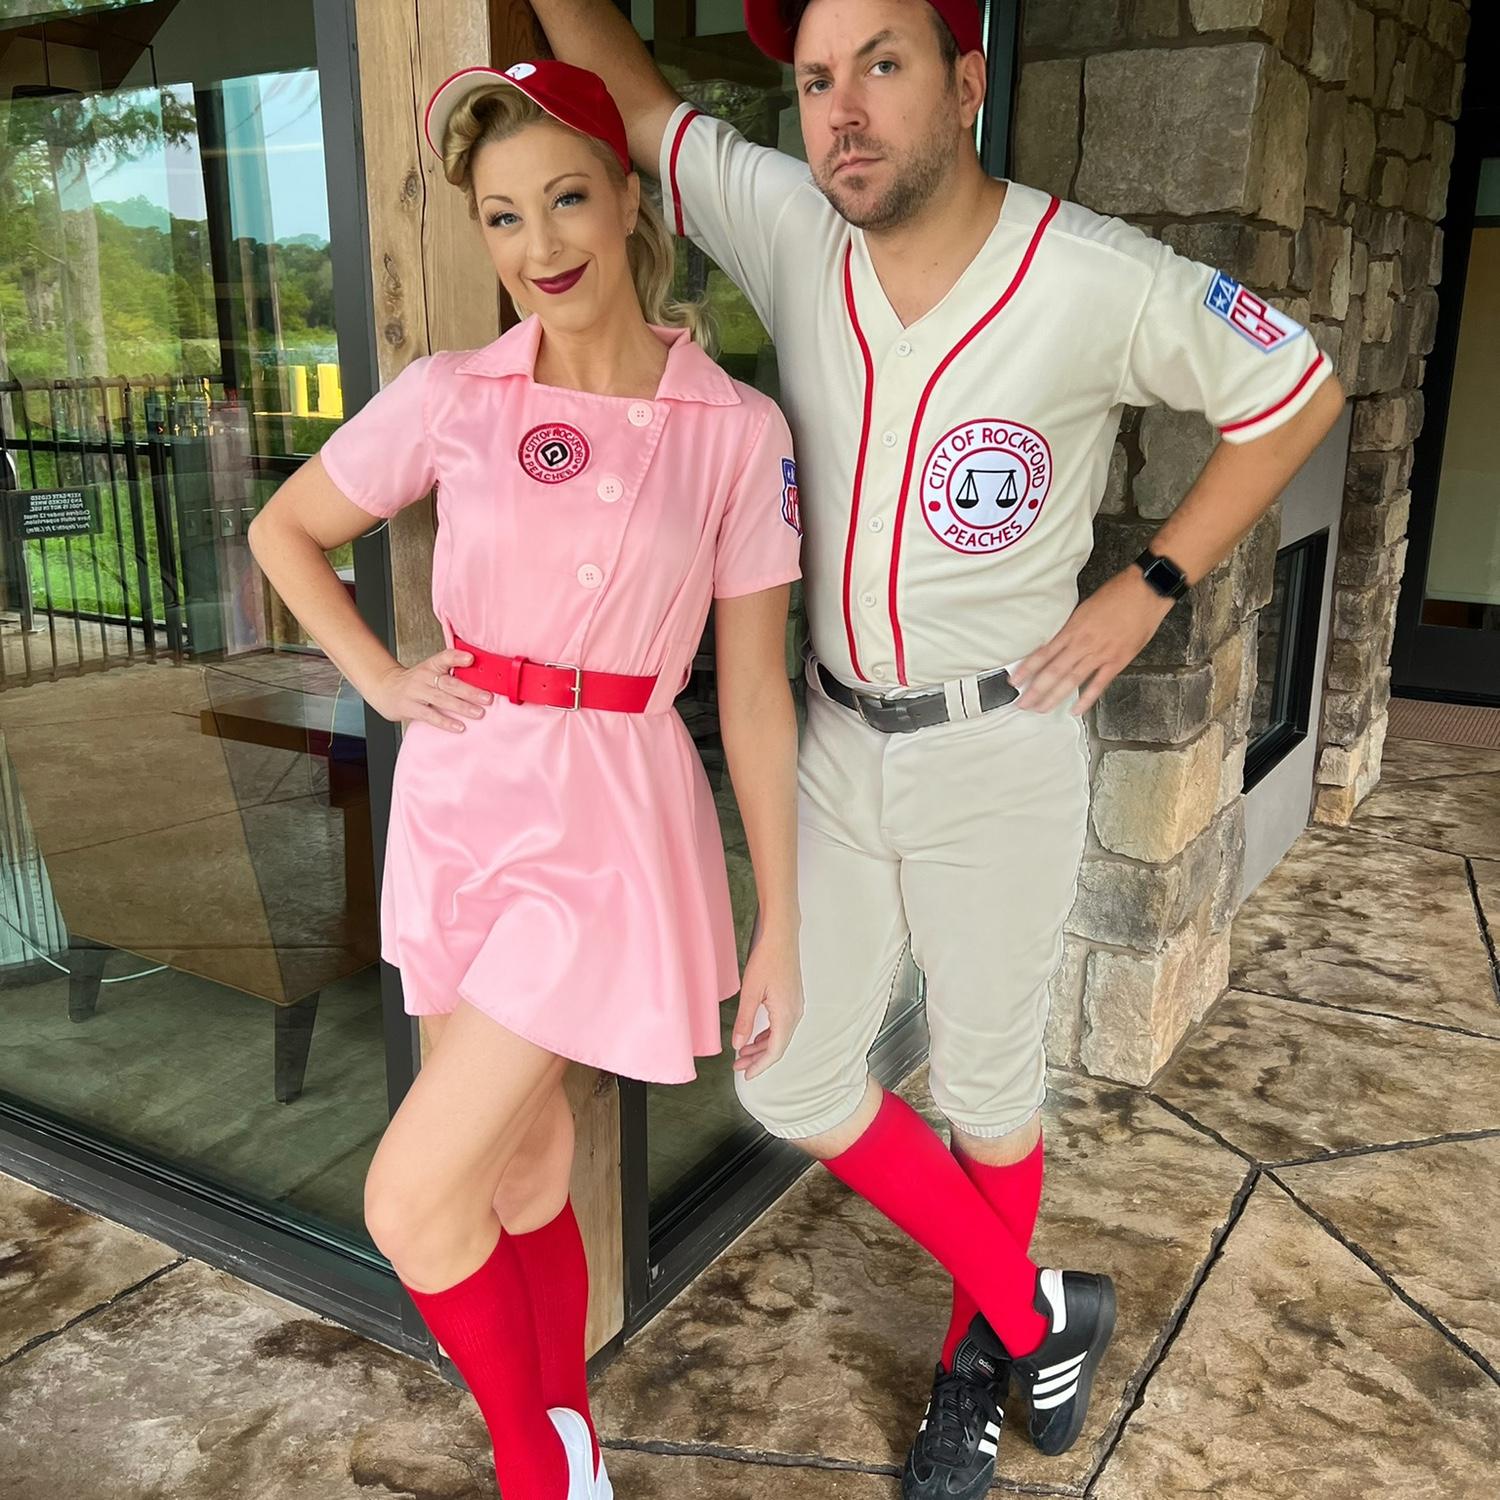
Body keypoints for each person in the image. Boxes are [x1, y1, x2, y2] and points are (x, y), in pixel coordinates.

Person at [524, 0, 1348, 1494]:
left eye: (881, 65)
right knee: (787, 1077)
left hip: (999, 744)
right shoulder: (791, 221)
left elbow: (1295, 388)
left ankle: (976, 1361)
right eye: (813, 79)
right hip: (837, 737)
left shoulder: (1089, 271)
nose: (840, 109)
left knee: (986, 1089)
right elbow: (635, 105)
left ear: (967, 82)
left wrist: (1149, 585)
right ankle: (1036, 1313)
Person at [247, 60, 805, 1500]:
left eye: (566, 198)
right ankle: (573, 1439)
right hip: (459, 799)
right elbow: (284, 529)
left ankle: (535, 1470)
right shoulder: (454, 395)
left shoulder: (737, 431)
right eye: (503, 216)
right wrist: (380, 680)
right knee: (516, 1170)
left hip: (609, 823)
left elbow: (753, 691)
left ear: (627, 200)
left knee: (408, 1199)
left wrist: (781, 922)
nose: (540, 244)